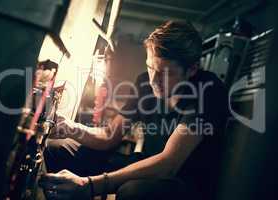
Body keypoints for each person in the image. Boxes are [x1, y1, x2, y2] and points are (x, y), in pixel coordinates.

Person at [39, 20, 230, 200]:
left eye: (165, 73)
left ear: (192, 69)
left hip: (183, 182)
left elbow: (169, 164)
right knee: (59, 149)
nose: (154, 81)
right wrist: (69, 127)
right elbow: (109, 136)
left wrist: (90, 185)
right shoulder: (144, 83)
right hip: (146, 162)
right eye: (150, 68)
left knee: (132, 192)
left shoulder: (208, 91)